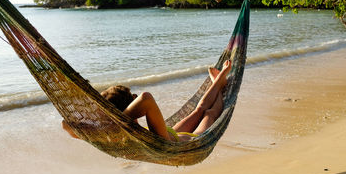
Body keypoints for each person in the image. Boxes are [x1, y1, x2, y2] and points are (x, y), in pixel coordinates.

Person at [62, 60, 232, 141]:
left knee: (199, 109)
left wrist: (108, 118)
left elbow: (66, 125)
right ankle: (220, 83)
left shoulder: (116, 130)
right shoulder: (114, 133)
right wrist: (111, 119)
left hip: (170, 133)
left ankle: (218, 82)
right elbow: (145, 98)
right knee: (208, 112)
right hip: (187, 142)